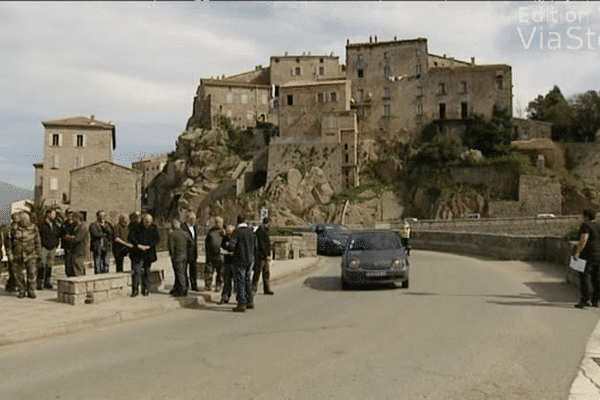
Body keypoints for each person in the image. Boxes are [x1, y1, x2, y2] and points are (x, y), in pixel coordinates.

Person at [5, 212, 41, 299]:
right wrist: (9, 253)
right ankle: (22, 291)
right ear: (20, 220)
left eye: (27, 220)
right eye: (23, 220)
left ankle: (31, 291)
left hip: (30, 254)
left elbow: (37, 241)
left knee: (32, 274)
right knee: (18, 275)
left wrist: (37, 253)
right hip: (17, 255)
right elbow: (8, 242)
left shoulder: (33, 228)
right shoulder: (13, 228)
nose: (26, 222)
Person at [128, 214, 160, 297]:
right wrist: (138, 245)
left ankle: (145, 289)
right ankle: (135, 290)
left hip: (148, 253)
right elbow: (131, 237)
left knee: (147, 272)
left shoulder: (153, 228)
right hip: (138, 253)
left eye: (149, 222)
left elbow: (156, 239)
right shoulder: (136, 227)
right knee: (137, 271)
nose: (147, 223)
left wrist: (149, 246)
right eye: (146, 221)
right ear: (143, 220)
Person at [574, 209, 600, 308]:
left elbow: (584, 239)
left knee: (584, 277)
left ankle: (585, 300)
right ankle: (595, 300)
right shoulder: (598, 226)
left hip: (587, 255)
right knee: (596, 278)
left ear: (587, 217)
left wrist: (577, 252)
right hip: (598, 255)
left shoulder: (586, 226)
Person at [232, 215, 255, 312]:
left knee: (240, 281)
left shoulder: (237, 232)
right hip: (250, 258)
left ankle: (242, 303)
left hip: (240, 259)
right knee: (247, 280)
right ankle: (250, 301)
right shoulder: (251, 231)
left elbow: (232, 245)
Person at [37, 209, 61, 290]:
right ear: (48, 214)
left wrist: (56, 244)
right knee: (41, 265)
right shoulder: (42, 225)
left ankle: (47, 282)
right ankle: (39, 283)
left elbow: (58, 235)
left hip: (52, 248)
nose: (55, 216)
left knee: (49, 266)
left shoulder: (55, 226)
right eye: (53, 214)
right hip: (44, 248)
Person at [62, 212, 88, 277]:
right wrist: (70, 237)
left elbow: (77, 239)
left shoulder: (83, 227)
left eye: (74, 218)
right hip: (72, 251)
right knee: (71, 266)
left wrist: (69, 238)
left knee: (78, 265)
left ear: (78, 218)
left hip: (79, 250)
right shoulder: (74, 227)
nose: (72, 219)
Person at [252, 217, 274, 295]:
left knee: (266, 273)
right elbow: (262, 245)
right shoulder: (261, 231)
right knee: (257, 273)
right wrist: (266, 254)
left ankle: (267, 289)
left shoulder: (264, 231)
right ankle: (253, 289)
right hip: (260, 256)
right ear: (266, 224)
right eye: (269, 224)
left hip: (264, 256)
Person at [167, 219, 189, 297]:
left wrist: (172, 255)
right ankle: (177, 288)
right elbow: (191, 243)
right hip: (184, 254)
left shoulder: (172, 234)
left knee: (179, 273)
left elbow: (171, 246)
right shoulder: (184, 233)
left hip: (177, 255)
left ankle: (183, 289)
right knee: (182, 272)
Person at [205, 216, 225, 292]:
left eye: (220, 222)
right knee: (209, 272)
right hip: (211, 256)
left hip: (221, 256)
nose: (218, 224)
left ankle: (218, 286)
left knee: (220, 273)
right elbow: (207, 243)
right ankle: (208, 285)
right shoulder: (210, 232)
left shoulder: (224, 232)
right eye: (217, 222)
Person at [181, 212, 200, 292]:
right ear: (187, 219)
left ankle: (194, 285)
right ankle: (185, 285)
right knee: (184, 269)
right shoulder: (182, 227)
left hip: (193, 252)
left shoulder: (195, 227)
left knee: (193, 269)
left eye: (194, 219)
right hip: (185, 251)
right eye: (191, 219)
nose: (193, 221)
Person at [219, 224, 237, 304]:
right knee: (226, 281)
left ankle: (239, 298)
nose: (229, 235)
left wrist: (233, 253)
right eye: (227, 233)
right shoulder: (225, 239)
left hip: (235, 262)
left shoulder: (236, 239)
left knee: (237, 282)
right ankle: (225, 297)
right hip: (227, 262)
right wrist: (224, 252)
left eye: (230, 233)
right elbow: (222, 248)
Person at [4, 212, 20, 291]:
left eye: (18, 217)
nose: (17, 219)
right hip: (13, 251)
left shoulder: (21, 227)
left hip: (20, 252)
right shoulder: (9, 229)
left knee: (18, 269)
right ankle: (11, 285)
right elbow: (8, 242)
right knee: (13, 269)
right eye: (16, 217)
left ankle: (13, 284)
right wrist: (9, 253)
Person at [60, 209, 76, 277]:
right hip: (67, 246)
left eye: (71, 213)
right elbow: (62, 235)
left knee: (75, 262)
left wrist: (70, 237)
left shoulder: (75, 224)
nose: (70, 215)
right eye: (68, 213)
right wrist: (69, 237)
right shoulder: (64, 224)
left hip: (75, 246)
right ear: (66, 215)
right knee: (68, 262)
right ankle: (69, 275)